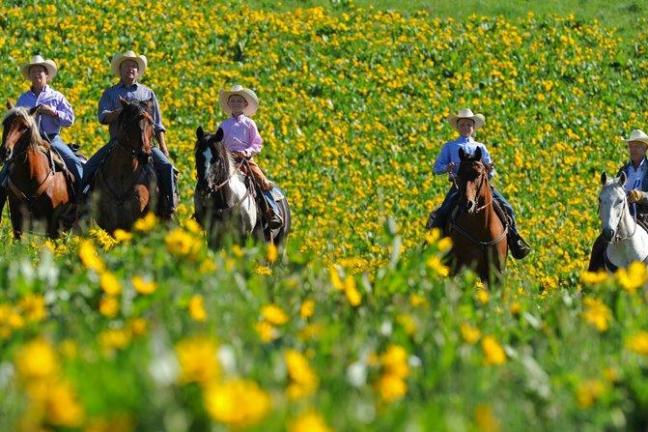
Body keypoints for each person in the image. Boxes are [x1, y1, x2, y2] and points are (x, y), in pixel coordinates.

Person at [81, 50, 176, 217]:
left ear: (138, 70)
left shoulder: (148, 93)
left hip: (145, 142)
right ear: (121, 69)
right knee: (89, 167)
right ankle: (83, 206)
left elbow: (157, 123)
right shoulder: (110, 93)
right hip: (118, 142)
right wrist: (121, 112)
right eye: (127, 66)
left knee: (167, 167)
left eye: (134, 66)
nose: (131, 69)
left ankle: (169, 206)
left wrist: (163, 146)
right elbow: (103, 117)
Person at [428, 108, 531, 259]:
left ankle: (515, 241)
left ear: (473, 127)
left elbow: (491, 168)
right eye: (462, 125)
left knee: (507, 207)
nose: (465, 128)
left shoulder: (481, 147)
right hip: (460, 187)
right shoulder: (449, 146)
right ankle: (434, 247)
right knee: (442, 212)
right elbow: (436, 168)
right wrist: (446, 168)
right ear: (457, 127)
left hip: (482, 186)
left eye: (468, 125)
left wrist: (488, 172)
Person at [0, 55, 83, 215]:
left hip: (52, 139)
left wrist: (53, 112)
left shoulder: (56, 96)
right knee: (6, 170)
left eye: (40, 71)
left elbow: (70, 120)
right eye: (34, 71)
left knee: (73, 162)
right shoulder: (24, 98)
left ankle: (82, 198)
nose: (37, 74)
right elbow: (17, 123)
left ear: (46, 75)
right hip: (28, 142)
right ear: (30, 76)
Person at [215, 84, 282, 229]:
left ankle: (273, 212)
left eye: (239, 101)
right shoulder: (223, 125)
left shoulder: (249, 124)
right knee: (212, 181)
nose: (236, 104)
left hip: (245, 159)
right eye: (233, 101)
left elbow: (257, 143)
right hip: (228, 160)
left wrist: (246, 152)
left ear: (245, 104)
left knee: (261, 179)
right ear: (228, 104)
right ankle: (206, 213)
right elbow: (219, 144)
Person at [588, 129, 648, 271]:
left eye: (637, 146)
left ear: (645, 148)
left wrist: (641, 196)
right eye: (631, 146)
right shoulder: (623, 169)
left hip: (644, 215)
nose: (633, 149)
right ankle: (589, 284)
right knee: (599, 244)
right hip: (621, 215)